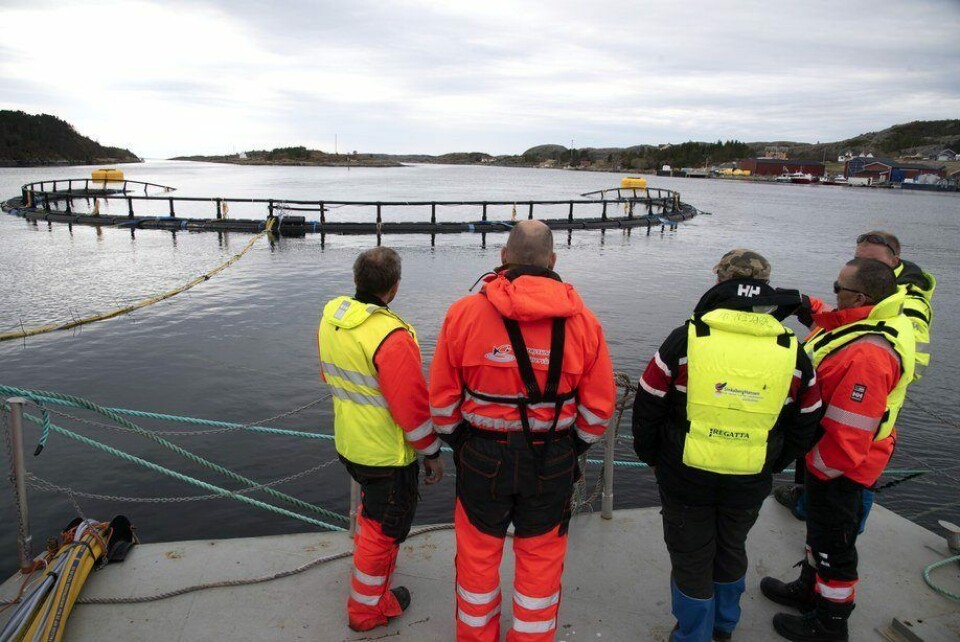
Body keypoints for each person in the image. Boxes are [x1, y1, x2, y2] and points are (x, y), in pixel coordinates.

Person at [429, 220, 616, 642]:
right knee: (541, 558)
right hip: (552, 460)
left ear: (503, 258)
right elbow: (599, 408)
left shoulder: (464, 312)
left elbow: (441, 401)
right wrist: (572, 446)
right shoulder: (584, 322)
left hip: (481, 456)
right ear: (553, 261)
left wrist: (460, 441)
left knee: (477, 557)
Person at [633, 249, 822, 642]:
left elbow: (648, 402)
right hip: (751, 475)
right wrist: (774, 460)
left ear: (720, 283)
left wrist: (652, 457)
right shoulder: (792, 351)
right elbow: (808, 418)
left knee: (690, 555)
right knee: (732, 547)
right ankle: (724, 625)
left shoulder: (687, 338)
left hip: (685, 475)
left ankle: (692, 634)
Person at [761, 258, 915, 642]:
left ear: (859, 296)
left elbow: (850, 434)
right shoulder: (870, 321)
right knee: (819, 534)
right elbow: (835, 321)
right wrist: (803, 304)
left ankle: (830, 623)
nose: (833, 294)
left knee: (835, 547)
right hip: (825, 456)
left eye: (837, 288)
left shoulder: (868, 355)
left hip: (841, 465)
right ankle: (808, 588)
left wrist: (817, 465)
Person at [317, 247, 444, 633]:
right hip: (384, 454)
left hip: (349, 443)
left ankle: (372, 572)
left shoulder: (332, 319)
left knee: (373, 517)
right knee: (383, 527)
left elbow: (328, 376)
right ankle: (367, 610)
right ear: (394, 287)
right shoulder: (391, 335)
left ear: (357, 281)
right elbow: (411, 410)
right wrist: (432, 452)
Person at [774, 230, 934, 523]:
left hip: (861, 414)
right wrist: (808, 307)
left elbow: (902, 361)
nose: (859, 262)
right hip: (837, 414)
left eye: (870, 259)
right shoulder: (876, 295)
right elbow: (847, 326)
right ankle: (811, 512)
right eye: (858, 257)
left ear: (894, 260)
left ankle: (830, 525)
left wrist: (859, 379)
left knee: (839, 518)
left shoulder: (906, 308)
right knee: (825, 511)